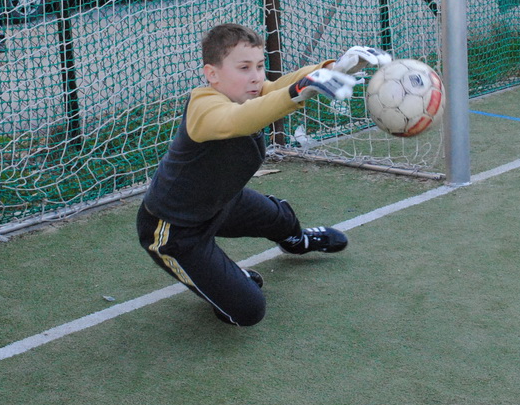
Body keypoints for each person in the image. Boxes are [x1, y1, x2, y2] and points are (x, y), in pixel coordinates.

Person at [136, 23, 391, 326]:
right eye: (244, 68)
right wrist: (298, 91)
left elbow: (280, 86)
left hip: (222, 202)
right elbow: (239, 119)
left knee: (280, 217)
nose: (256, 76)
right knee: (247, 311)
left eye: (259, 66)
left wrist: (333, 68)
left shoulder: (251, 92)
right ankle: (228, 282)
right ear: (212, 74)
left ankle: (296, 241)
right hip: (175, 228)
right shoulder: (203, 106)